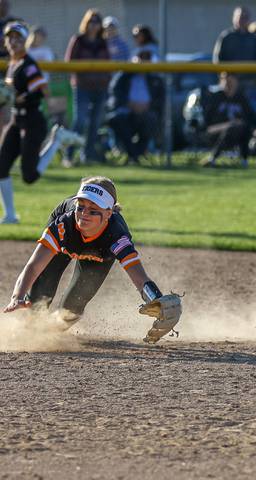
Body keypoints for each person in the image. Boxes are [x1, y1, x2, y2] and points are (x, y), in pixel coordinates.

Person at [2, 176, 182, 343]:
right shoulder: (64, 225)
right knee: (39, 297)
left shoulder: (116, 236)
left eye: (93, 210)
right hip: (66, 243)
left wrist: (157, 299)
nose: (84, 214)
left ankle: (47, 335)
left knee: (72, 308)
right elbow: (34, 267)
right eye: (80, 206)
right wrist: (17, 297)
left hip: (99, 255)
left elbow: (139, 277)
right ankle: (29, 331)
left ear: (109, 213)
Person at [0, 23, 81, 224]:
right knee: (1, 166)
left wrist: (18, 97)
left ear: (25, 41)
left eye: (18, 38)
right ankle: (10, 215)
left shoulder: (28, 65)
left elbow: (44, 91)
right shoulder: (12, 64)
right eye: (10, 37)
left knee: (29, 176)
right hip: (17, 120)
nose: (13, 41)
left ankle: (56, 141)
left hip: (32, 121)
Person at [65, 9, 111, 165]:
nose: (94, 25)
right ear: (86, 23)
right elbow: (69, 62)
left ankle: (88, 154)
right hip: (82, 87)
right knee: (80, 121)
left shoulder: (102, 42)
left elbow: (108, 64)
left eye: (97, 22)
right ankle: (69, 155)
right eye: (91, 22)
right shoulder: (78, 40)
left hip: (100, 88)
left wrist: (104, 80)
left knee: (95, 123)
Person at [106, 49, 165, 165]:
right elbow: (114, 90)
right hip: (127, 111)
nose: (143, 62)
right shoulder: (125, 76)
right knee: (116, 119)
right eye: (140, 58)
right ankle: (135, 156)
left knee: (151, 119)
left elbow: (160, 100)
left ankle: (135, 156)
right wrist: (129, 104)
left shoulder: (154, 78)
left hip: (146, 112)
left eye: (146, 59)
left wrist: (147, 106)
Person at [213, 6, 256, 112]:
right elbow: (217, 60)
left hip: (251, 86)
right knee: (232, 115)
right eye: (240, 17)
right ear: (234, 18)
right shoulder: (227, 37)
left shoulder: (253, 39)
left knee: (251, 114)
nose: (243, 20)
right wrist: (226, 79)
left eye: (246, 17)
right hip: (231, 87)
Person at [201, 72, 256, 168]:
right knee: (231, 127)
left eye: (231, 82)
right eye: (226, 81)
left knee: (242, 128)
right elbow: (207, 125)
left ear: (236, 83)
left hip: (237, 132)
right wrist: (229, 124)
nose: (228, 84)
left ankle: (244, 160)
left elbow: (250, 118)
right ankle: (213, 158)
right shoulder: (215, 98)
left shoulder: (241, 99)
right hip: (215, 131)